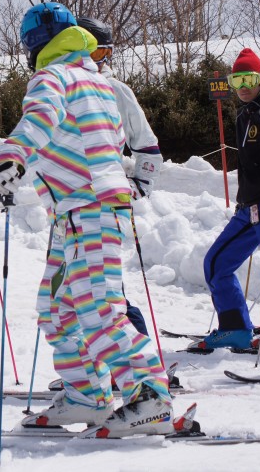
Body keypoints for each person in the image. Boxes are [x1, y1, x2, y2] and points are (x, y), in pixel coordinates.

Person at [0, 3, 173, 437]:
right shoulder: (97, 82)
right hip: (76, 214)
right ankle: (88, 396)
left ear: (32, 44)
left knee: (99, 308)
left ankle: (151, 399)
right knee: (56, 308)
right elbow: (93, 143)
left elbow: (38, 122)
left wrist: (9, 165)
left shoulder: (53, 77)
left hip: (91, 209)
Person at [76, 17, 164, 337]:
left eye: (100, 54)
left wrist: (138, 186)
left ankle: (137, 363)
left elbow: (148, 148)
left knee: (105, 290)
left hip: (106, 202)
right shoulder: (69, 90)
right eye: (86, 51)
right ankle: (100, 366)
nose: (93, 61)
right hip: (76, 203)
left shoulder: (115, 90)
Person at [192, 48, 260, 351]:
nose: (243, 86)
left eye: (249, 78)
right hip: (250, 208)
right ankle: (234, 329)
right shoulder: (245, 114)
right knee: (216, 263)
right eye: (237, 79)